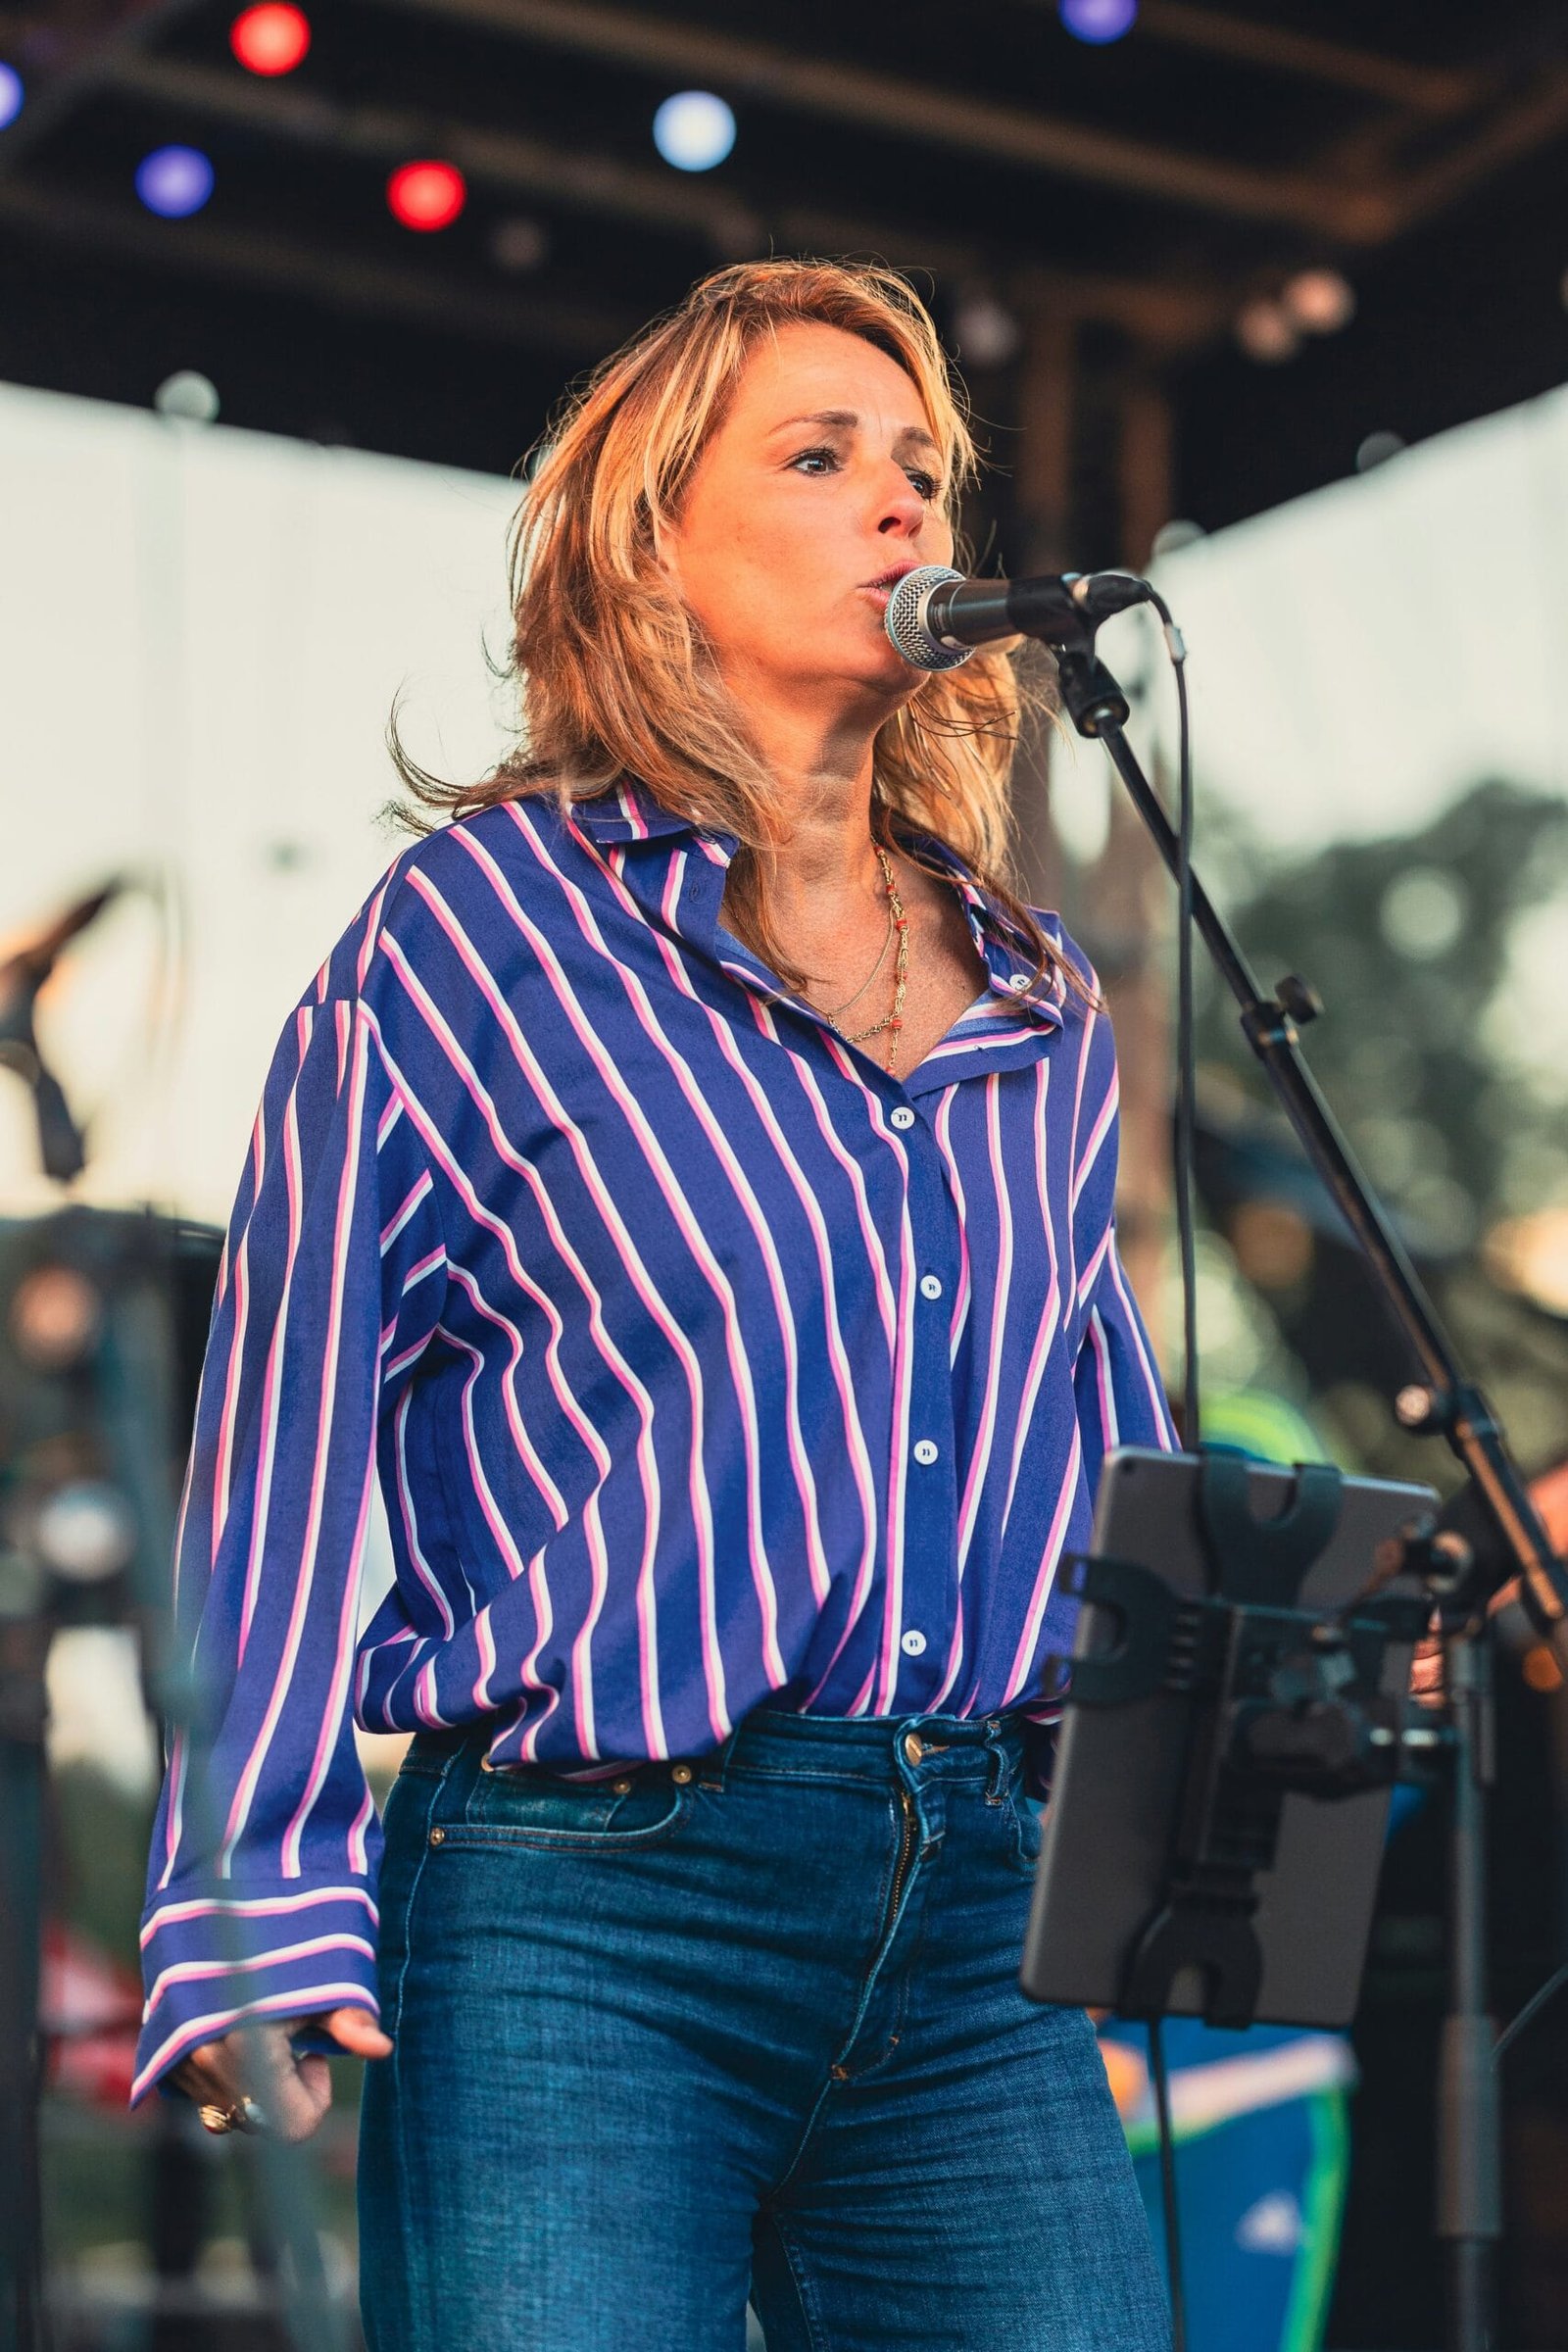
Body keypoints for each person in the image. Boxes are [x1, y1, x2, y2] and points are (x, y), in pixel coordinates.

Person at [134, 258, 1176, 2351]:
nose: (902, 508)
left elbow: (1099, 1451)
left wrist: (1156, 1854)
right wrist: (248, 1895)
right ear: (645, 557)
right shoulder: (468, 935)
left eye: (918, 469)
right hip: (583, 1916)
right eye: (818, 458)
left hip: (976, 1923)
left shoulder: (1041, 1003)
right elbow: (283, 1418)